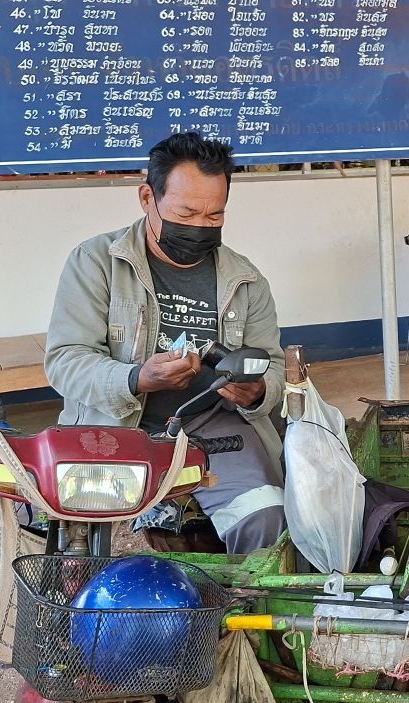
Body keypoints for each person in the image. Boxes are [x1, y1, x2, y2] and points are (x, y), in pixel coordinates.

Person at [44, 132, 286, 555]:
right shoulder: (97, 262)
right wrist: (136, 378)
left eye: (214, 216)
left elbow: (275, 367)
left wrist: (258, 390)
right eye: (186, 212)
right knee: (41, 534)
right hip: (111, 426)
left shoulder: (246, 281)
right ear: (147, 198)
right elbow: (65, 361)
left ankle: (242, 598)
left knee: (264, 516)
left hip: (212, 427)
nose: (199, 227)